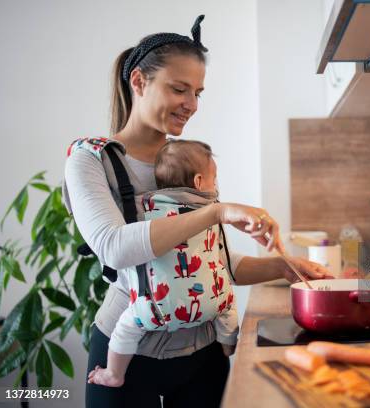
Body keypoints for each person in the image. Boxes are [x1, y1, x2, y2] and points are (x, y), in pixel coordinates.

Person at [62, 15, 330, 408]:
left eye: (198, 93)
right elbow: (114, 248)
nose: (191, 104)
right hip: (126, 352)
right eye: (179, 89)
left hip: (204, 353)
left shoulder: (189, 162)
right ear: (138, 81)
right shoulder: (91, 159)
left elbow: (210, 262)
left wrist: (284, 268)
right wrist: (217, 211)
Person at [86, 139, 238, 388]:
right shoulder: (212, 210)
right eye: (214, 178)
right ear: (199, 182)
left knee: (125, 328)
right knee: (228, 307)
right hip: (212, 303)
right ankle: (227, 345)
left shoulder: (142, 210)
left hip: (154, 307)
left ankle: (114, 374)